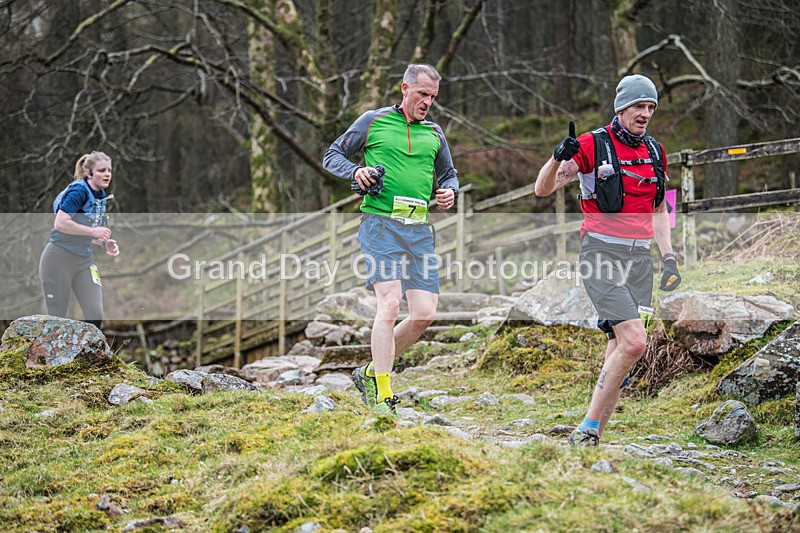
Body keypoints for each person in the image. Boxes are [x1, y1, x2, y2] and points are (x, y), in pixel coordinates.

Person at [534, 74, 681, 446]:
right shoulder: (591, 145)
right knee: (634, 343)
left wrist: (670, 258)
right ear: (621, 108)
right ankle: (585, 428)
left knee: (620, 348)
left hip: (641, 260)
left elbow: (660, 208)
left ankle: (593, 435)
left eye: (650, 107)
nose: (645, 113)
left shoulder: (655, 150)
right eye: (638, 106)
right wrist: (557, 157)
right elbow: (542, 189)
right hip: (601, 253)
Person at [323, 64, 459, 416]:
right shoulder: (374, 120)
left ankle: (369, 372)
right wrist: (356, 170)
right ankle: (384, 392)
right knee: (390, 302)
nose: (427, 102)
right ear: (405, 89)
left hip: (419, 230)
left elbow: (448, 175)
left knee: (425, 314)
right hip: (380, 225)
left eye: (432, 97)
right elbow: (332, 154)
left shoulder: (435, 134)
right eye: (422, 94)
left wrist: (449, 192)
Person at [39, 151, 119, 329]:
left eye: (109, 170)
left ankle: (86, 356)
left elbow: (89, 232)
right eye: (101, 170)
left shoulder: (101, 196)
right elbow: (60, 223)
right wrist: (93, 231)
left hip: (84, 261)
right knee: (57, 317)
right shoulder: (78, 191)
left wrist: (105, 242)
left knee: (95, 315)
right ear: (89, 173)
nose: (107, 174)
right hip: (58, 258)